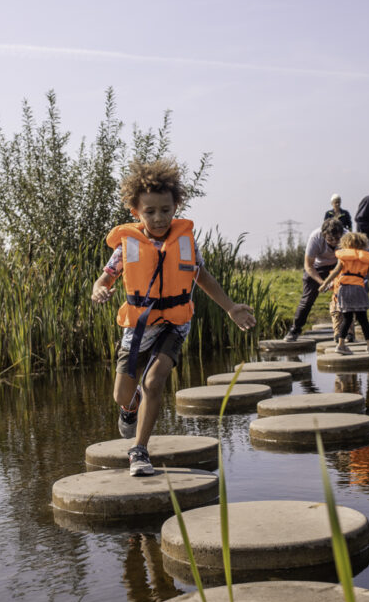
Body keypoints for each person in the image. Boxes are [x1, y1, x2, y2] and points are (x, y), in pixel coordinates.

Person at [91, 158, 256, 476]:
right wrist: (100, 289)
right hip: (139, 325)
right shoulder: (127, 245)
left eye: (165, 210)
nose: (158, 217)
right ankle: (131, 405)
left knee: (155, 381)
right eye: (149, 211)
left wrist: (231, 307)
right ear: (135, 211)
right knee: (121, 395)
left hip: (175, 322)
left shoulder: (185, 242)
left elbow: (202, 277)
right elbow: (106, 278)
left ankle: (139, 451)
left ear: (176, 206)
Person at [318, 231, 369, 354]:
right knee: (363, 320)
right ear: (363, 243)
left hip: (344, 289)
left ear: (345, 243)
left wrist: (324, 283)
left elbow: (335, 273)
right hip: (358, 290)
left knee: (347, 319)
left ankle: (340, 345)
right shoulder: (366, 259)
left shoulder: (344, 257)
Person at [283, 217, 344, 342]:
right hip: (317, 267)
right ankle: (295, 330)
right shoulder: (315, 238)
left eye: (337, 239)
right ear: (324, 235)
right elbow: (308, 266)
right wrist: (323, 283)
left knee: (346, 296)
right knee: (308, 299)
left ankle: (346, 332)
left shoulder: (346, 236)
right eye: (330, 239)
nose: (333, 242)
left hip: (339, 265)